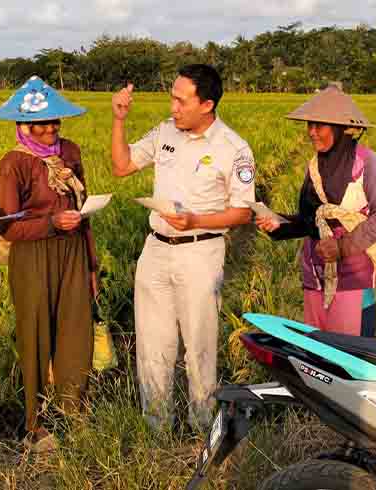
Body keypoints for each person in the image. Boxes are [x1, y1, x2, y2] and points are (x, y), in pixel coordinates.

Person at [110, 64, 255, 431]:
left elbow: (242, 213)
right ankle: (156, 427)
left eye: (181, 101)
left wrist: (195, 221)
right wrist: (119, 120)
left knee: (199, 346)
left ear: (206, 105)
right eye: (172, 99)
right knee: (152, 345)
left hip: (199, 253)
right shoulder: (165, 132)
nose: (173, 108)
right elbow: (122, 166)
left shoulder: (233, 149)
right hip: (156, 250)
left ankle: (202, 427)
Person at [0, 76, 96, 447]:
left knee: (76, 331)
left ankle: (73, 411)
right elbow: (5, 225)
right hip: (32, 255)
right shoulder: (14, 163)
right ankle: (35, 424)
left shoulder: (71, 153)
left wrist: (92, 265)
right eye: (42, 123)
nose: (51, 129)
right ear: (24, 126)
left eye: (55, 122)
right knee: (35, 334)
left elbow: (84, 211)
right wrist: (51, 223)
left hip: (73, 251)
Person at [256, 86, 376, 337]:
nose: (311, 132)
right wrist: (279, 224)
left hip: (352, 280)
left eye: (319, 125)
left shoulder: (365, 162)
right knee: (318, 351)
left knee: (348, 354)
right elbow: (310, 222)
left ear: (340, 128)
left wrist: (342, 247)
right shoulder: (315, 166)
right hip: (314, 277)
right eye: (310, 124)